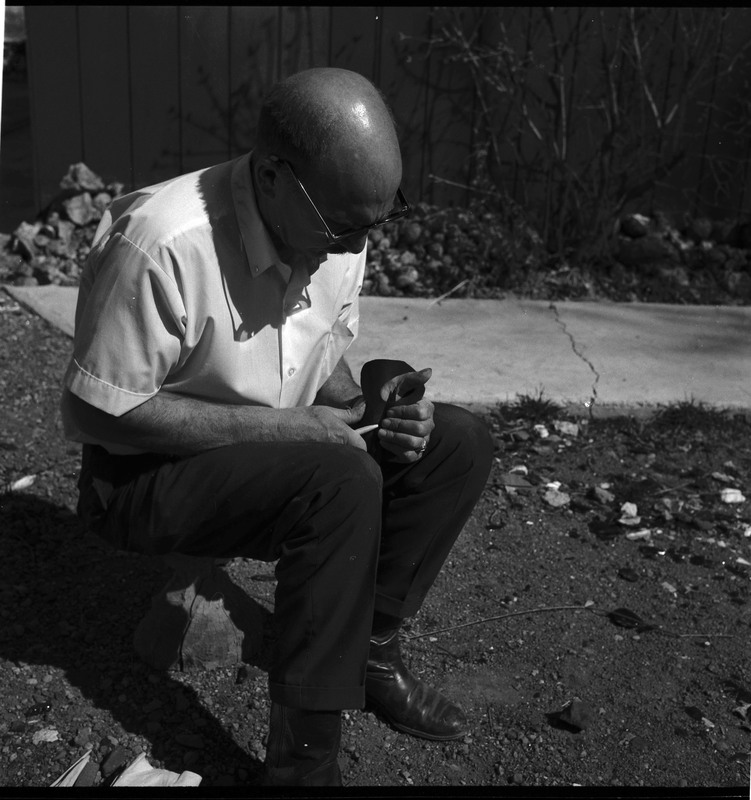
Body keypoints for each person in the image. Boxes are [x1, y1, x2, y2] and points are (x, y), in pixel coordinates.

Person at [60, 67, 493, 786]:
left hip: (274, 455)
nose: (355, 245)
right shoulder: (161, 243)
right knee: (337, 479)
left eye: (374, 223)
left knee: (457, 443)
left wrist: (376, 406)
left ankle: (369, 651)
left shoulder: (332, 226)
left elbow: (321, 358)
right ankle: (302, 768)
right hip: (137, 481)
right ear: (270, 175)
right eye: (342, 225)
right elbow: (94, 410)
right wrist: (288, 432)